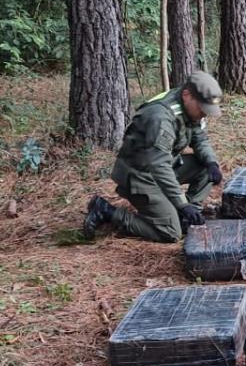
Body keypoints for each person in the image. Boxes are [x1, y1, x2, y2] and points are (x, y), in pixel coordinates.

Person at [82, 71, 226, 243]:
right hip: (139, 175)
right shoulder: (161, 117)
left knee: (205, 168)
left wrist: (211, 162)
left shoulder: (187, 107)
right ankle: (107, 211)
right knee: (171, 232)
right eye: (203, 108)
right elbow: (159, 166)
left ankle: (186, 218)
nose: (205, 113)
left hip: (161, 166)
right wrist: (182, 204)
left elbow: (199, 137)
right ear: (187, 94)